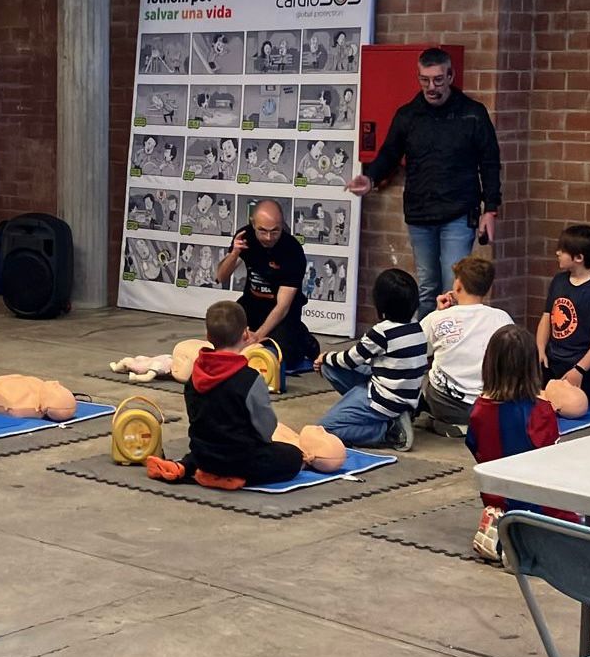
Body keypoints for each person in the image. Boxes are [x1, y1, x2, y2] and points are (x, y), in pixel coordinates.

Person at [346, 48, 501, 318]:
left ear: (450, 76)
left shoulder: (473, 114)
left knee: (454, 287)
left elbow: (490, 162)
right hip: (420, 212)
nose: (431, 87)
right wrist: (370, 178)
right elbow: (389, 153)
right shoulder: (408, 115)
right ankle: (427, 341)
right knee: (428, 287)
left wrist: (491, 209)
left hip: (458, 211)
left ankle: (451, 339)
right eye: (424, 80)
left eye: (438, 80)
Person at [144, 301, 303, 489]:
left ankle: (185, 466)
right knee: (294, 457)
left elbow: (198, 420)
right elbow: (266, 427)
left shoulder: (194, 375)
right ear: (245, 334)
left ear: (208, 336)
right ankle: (230, 478)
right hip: (241, 459)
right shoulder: (250, 379)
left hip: (205, 456)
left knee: (208, 447)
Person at [467, 325, 577, 562]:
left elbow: (477, 451)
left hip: (496, 498)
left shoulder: (477, 411)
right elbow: (552, 464)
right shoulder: (540, 411)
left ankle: (503, 527)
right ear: (530, 368)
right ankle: (525, 542)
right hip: (538, 503)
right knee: (585, 525)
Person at [313, 268, 427, 451]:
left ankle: (388, 431)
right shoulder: (417, 327)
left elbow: (350, 359)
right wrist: (327, 362)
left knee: (325, 429)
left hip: (383, 397)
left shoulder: (382, 332)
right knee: (329, 367)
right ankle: (392, 415)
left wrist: (324, 357)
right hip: (405, 395)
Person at [215, 200, 318, 372]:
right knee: (222, 333)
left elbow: (283, 307)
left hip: (282, 313)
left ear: (282, 225)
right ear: (253, 224)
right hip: (251, 304)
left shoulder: (292, 250)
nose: (268, 237)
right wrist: (234, 254)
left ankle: (302, 338)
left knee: (279, 356)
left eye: (274, 231)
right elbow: (220, 276)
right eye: (262, 231)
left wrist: (257, 336)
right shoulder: (244, 237)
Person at [419, 256, 513, 438]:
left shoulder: (436, 319)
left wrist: (438, 313)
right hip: (491, 404)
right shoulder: (503, 318)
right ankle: (476, 422)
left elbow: (415, 350)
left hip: (447, 404)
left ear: (458, 286)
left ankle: (453, 422)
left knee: (422, 377)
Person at [536, 224, 590, 403]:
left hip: (584, 366)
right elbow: (547, 317)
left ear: (579, 257)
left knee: (572, 406)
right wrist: (540, 349)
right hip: (554, 360)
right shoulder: (558, 281)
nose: (557, 253)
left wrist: (579, 370)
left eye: (563, 250)